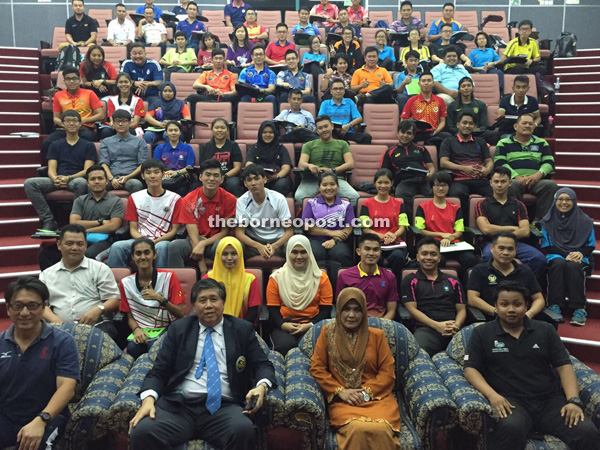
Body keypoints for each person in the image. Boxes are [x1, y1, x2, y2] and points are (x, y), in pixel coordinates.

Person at [128, 278, 277, 450]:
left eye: (214, 299)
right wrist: (148, 400)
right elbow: (159, 371)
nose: (208, 305)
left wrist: (261, 387)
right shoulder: (179, 329)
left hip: (223, 408)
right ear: (193, 305)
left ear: (223, 302)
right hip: (180, 408)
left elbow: (262, 365)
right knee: (142, 431)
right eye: (202, 300)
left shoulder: (241, 329)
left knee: (243, 430)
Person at [464, 281, 600, 450]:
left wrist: (573, 400)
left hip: (549, 401)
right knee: (510, 429)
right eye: (504, 304)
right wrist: (492, 396)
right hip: (511, 402)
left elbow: (564, 366)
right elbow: (470, 369)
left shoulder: (546, 330)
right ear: (496, 306)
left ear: (526, 305)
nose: (511, 309)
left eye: (517, 304)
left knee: (587, 432)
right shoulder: (482, 333)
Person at [310, 287, 401, 450]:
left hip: (377, 400)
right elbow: (317, 368)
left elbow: (387, 373)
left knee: (379, 429)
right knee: (357, 429)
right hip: (344, 402)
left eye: (357, 310)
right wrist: (339, 391)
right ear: (338, 311)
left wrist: (365, 393)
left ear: (364, 312)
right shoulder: (327, 333)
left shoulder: (377, 336)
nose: (351, 315)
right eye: (346, 309)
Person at [0, 276, 79, 450]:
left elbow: (67, 387)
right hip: (6, 416)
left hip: (48, 415)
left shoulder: (63, 342)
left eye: (33, 306)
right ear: (8, 309)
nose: (25, 312)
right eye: (18, 306)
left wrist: (41, 420)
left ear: (44, 307)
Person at [40, 224, 121, 341]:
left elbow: (114, 299)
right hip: (58, 328)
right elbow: (41, 305)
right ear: (59, 245)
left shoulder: (99, 268)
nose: (75, 248)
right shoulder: (46, 275)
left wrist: (98, 309)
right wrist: (56, 321)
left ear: (86, 246)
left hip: (97, 325)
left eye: (80, 244)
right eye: (69, 243)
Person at [38, 164, 126, 270]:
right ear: (87, 183)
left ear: (106, 181)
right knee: (46, 253)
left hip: (104, 241)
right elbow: (74, 223)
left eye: (100, 178)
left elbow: (113, 226)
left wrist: (86, 228)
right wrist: (101, 222)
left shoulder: (116, 201)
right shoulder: (80, 200)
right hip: (79, 239)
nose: (97, 181)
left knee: (86, 255)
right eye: (93, 179)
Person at [25, 110, 96, 231]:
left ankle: (74, 221)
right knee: (30, 183)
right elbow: (51, 168)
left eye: (74, 121)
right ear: (62, 124)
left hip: (75, 179)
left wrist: (69, 178)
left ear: (80, 124)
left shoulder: (88, 145)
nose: (71, 124)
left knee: (82, 183)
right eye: (68, 121)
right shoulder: (55, 144)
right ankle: (48, 220)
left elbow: (88, 170)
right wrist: (55, 178)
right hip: (57, 179)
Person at [107, 159, 182, 268]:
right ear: (142, 176)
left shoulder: (175, 199)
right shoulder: (135, 197)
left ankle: (159, 282)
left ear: (163, 174)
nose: (152, 176)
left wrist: (155, 242)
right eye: (148, 173)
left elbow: (174, 230)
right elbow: (133, 229)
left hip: (162, 241)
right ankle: (117, 283)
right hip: (140, 239)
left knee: (161, 248)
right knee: (117, 247)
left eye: (156, 172)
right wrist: (143, 241)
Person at [267, 234, 333, 356]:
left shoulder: (321, 278)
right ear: (288, 253)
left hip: (313, 324)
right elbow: (273, 310)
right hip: (284, 325)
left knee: (313, 347)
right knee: (285, 346)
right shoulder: (276, 278)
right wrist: (284, 325)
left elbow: (326, 310)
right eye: (294, 252)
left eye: (303, 252)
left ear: (309, 253)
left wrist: (309, 325)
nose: (299, 256)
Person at [168, 159, 237, 275]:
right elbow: (193, 236)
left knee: (224, 246)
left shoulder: (230, 199)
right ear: (200, 177)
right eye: (207, 175)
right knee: (175, 246)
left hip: (215, 241)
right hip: (193, 241)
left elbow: (224, 232)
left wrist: (203, 244)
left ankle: (222, 284)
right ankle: (179, 285)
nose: (211, 179)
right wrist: (203, 268)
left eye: (216, 176)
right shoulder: (189, 200)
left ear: (222, 179)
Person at [120, 238, 185, 359]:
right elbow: (129, 316)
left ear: (154, 255)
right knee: (133, 348)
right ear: (133, 257)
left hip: (166, 329)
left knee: (155, 349)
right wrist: (136, 330)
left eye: (147, 252)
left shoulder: (169, 277)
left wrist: (160, 299)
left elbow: (180, 314)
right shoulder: (126, 283)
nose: (143, 257)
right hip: (141, 330)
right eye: (138, 253)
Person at [475, 167, 547, 276]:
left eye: (503, 181)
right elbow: (486, 229)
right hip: (492, 243)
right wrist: (513, 228)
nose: (499, 185)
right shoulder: (482, 204)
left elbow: (525, 231)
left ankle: (523, 287)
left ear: (510, 183)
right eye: (496, 181)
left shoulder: (518, 205)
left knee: (539, 259)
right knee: (489, 256)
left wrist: (498, 230)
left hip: (515, 244)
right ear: (491, 183)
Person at [401, 237, 466, 356]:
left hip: (453, 328)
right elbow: (412, 309)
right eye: (424, 254)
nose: (429, 258)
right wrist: (438, 326)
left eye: (433, 254)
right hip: (427, 329)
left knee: (472, 352)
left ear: (439, 258)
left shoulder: (453, 280)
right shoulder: (410, 280)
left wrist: (456, 325)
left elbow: (461, 309)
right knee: (417, 353)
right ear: (417, 257)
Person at [541, 188, 595, 326]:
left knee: (573, 265)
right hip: (556, 255)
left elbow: (590, 245)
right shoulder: (547, 221)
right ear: (555, 201)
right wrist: (567, 255)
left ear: (574, 201)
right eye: (560, 199)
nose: (563, 202)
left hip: (579, 256)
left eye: (568, 200)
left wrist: (579, 254)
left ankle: (579, 308)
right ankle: (554, 305)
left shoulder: (585, 221)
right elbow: (547, 245)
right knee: (558, 264)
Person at [467, 231, 546, 320]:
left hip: (522, 322)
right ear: (492, 248)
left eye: (510, 249)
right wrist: (498, 312)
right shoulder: (479, 270)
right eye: (501, 248)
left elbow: (539, 299)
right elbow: (472, 299)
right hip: (491, 321)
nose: (506, 253)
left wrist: (528, 315)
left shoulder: (525, 271)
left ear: (515, 250)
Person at [494, 113, 558, 220]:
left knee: (550, 185)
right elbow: (500, 163)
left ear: (534, 127)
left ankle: (540, 221)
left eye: (530, 124)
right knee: (511, 185)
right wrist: (516, 177)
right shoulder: (504, 143)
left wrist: (537, 175)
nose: (527, 126)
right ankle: (515, 219)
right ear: (516, 127)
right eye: (524, 123)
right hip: (514, 180)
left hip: (536, 181)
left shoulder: (542, 143)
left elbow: (549, 163)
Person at [414, 171, 478, 274]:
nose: (440, 188)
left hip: (453, 245)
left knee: (470, 259)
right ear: (432, 187)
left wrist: (450, 237)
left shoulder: (455, 208)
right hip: (434, 245)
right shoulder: (422, 207)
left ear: (448, 187)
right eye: (437, 185)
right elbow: (421, 230)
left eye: (444, 185)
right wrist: (441, 235)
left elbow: (459, 231)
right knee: (439, 260)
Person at [296, 115, 360, 206]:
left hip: (336, 179)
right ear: (317, 131)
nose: (324, 130)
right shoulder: (308, 145)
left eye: (326, 126)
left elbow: (350, 164)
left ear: (332, 126)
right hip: (314, 179)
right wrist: (310, 166)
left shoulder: (343, 144)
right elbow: (301, 164)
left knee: (354, 197)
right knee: (299, 196)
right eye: (320, 128)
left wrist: (332, 170)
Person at [440, 111, 494, 217]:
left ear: (474, 126)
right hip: (460, 180)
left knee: (496, 192)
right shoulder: (448, 141)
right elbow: (443, 162)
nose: (467, 126)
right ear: (458, 124)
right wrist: (464, 169)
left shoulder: (481, 141)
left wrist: (487, 170)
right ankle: (464, 225)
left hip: (481, 179)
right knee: (457, 193)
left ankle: (490, 222)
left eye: (471, 123)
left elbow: (489, 161)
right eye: (464, 123)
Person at [358, 168, 409, 278]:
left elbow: (402, 227)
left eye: (386, 182)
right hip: (374, 243)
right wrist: (382, 236)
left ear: (392, 183)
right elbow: (365, 229)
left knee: (398, 257)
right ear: (375, 183)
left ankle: (396, 287)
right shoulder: (367, 204)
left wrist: (394, 235)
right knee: (374, 257)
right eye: (380, 182)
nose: (383, 186)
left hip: (394, 243)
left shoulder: (399, 203)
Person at [235, 164, 293, 260]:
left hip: (278, 241)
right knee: (235, 247)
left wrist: (274, 246)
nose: (253, 183)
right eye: (249, 180)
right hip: (254, 243)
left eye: (257, 178)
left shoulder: (278, 198)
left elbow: (289, 231)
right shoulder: (242, 201)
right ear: (245, 183)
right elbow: (239, 232)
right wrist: (258, 246)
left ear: (265, 179)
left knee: (294, 245)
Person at [42, 67, 104, 155]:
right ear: (64, 81)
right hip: (65, 129)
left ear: (79, 80)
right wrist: (67, 125)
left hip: (84, 128)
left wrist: (81, 122)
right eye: (68, 79)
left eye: (74, 79)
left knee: (88, 138)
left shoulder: (89, 93)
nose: (71, 81)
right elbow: (56, 118)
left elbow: (101, 115)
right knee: (46, 143)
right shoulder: (58, 95)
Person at [336, 234, 400, 319]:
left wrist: (381, 326)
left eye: (375, 250)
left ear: (380, 253)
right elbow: (340, 307)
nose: (371, 253)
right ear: (358, 251)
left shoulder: (389, 277)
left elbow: (391, 310)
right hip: (354, 322)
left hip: (381, 323)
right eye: (367, 249)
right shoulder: (345, 276)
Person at [302, 171, 355, 268]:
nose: (329, 188)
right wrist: (330, 233)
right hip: (316, 240)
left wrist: (334, 240)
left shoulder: (346, 205)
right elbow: (306, 226)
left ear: (337, 186)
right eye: (324, 185)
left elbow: (348, 228)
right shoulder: (311, 203)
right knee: (316, 254)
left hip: (338, 241)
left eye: (332, 184)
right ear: (319, 187)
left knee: (341, 254)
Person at [204, 237, 261, 324]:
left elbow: (253, 311)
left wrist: (238, 328)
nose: (229, 258)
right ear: (218, 255)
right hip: (214, 326)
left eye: (234, 253)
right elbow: (205, 308)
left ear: (240, 255)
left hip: (241, 327)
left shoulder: (250, 279)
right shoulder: (208, 278)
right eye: (225, 254)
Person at [380, 121, 434, 210]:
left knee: (435, 192)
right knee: (401, 194)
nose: (405, 135)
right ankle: (408, 222)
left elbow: (431, 167)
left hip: (423, 180)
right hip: (405, 181)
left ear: (413, 136)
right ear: (397, 133)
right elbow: (384, 172)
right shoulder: (390, 152)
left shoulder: (421, 149)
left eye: (409, 133)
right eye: (403, 132)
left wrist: (430, 174)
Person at [100, 109, 147, 194]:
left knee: (136, 184)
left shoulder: (140, 142)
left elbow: (142, 164)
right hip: (111, 177)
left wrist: (127, 177)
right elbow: (104, 163)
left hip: (131, 178)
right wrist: (111, 178)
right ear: (113, 124)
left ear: (130, 123)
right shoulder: (106, 142)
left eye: (124, 121)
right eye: (117, 121)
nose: (120, 124)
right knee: (96, 184)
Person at [197, 118, 244, 197]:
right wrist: (212, 177)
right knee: (196, 185)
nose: (219, 130)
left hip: (228, 177)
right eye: (216, 127)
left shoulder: (233, 146)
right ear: (212, 130)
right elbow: (203, 167)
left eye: (222, 128)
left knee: (234, 184)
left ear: (227, 130)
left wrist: (223, 177)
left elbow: (237, 167)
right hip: (210, 177)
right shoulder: (206, 147)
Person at [446, 77, 500, 145]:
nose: (466, 88)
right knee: (446, 136)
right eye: (463, 86)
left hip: (476, 133)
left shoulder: (481, 105)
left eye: (469, 85)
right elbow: (450, 127)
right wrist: (463, 130)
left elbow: (484, 125)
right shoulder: (452, 106)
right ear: (459, 89)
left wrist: (475, 130)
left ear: (473, 88)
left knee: (494, 134)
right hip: (458, 133)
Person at [245, 120, 293, 196]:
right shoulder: (254, 148)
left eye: (271, 132)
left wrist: (276, 177)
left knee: (282, 184)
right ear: (260, 134)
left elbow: (286, 167)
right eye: (264, 132)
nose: (268, 135)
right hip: (258, 179)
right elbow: (249, 165)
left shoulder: (281, 148)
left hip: (277, 179)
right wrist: (258, 177)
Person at [318, 79, 372, 145]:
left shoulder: (349, 102)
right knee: (341, 142)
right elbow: (320, 120)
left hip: (347, 131)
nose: (338, 91)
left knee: (366, 137)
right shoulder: (325, 104)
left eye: (341, 89)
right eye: (335, 89)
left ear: (344, 91)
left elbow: (359, 118)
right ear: (331, 91)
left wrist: (348, 125)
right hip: (332, 132)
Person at [401, 72, 451, 142]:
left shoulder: (440, 100)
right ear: (419, 84)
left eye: (429, 81)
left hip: (433, 132)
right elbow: (403, 120)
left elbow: (442, 121)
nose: (426, 83)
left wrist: (437, 131)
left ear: (433, 83)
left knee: (447, 136)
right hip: (417, 133)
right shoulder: (412, 100)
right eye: (423, 81)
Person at [187, 48, 238, 113]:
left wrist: (223, 93)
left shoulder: (231, 75)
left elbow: (234, 92)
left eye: (220, 58)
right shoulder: (206, 73)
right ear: (212, 60)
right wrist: (206, 87)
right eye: (216, 58)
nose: (218, 61)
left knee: (229, 97)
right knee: (192, 97)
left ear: (224, 60)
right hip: (210, 97)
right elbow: (195, 85)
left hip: (224, 97)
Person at [153, 121, 195, 196]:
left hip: (181, 178)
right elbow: (156, 167)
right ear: (166, 133)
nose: (173, 133)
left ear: (180, 132)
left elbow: (190, 167)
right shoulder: (159, 149)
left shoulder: (188, 148)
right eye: (170, 130)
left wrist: (177, 172)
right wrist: (164, 173)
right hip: (164, 178)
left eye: (176, 130)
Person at [238, 44, 277, 115]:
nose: (258, 56)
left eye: (261, 54)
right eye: (256, 55)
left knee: (271, 98)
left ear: (264, 56)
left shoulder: (271, 73)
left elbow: (271, 89)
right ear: (252, 57)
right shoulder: (245, 71)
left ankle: (273, 123)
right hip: (249, 93)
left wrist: (260, 90)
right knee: (244, 98)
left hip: (264, 94)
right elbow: (241, 85)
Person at [394, 50, 421, 114]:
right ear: (406, 61)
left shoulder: (422, 75)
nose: (413, 63)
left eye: (415, 60)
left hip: (420, 96)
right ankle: (404, 119)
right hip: (406, 97)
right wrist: (403, 83)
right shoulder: (400, 75)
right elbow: (397, 91)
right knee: (401, 97)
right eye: (411, 61)